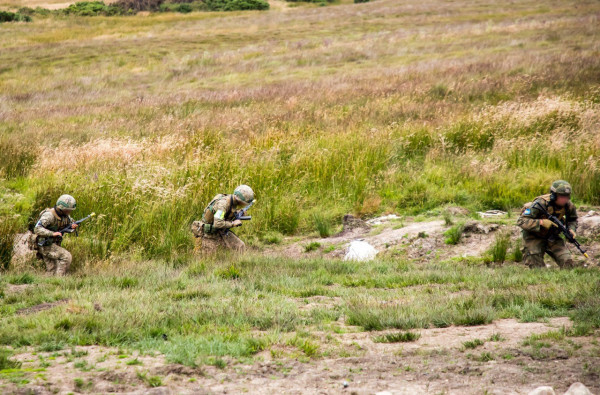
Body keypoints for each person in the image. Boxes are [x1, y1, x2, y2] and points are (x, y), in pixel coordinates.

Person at [517, 180, 578, 269]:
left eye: (567, 196)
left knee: (568, 263)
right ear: (554, 195)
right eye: (561, 196)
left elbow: (572, 219)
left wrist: (571, 229)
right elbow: (521, 221)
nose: (565, 199)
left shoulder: (569, 206)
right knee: (537, 267)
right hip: (534, 236)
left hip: (552, 236)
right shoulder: (540, 203)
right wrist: (541, 223)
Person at [193, 185, 254, 254]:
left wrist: (237, 213)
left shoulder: (232, 201)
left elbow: (224, 214)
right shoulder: (223, 205)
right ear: (239, 200)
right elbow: (217, 223)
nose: (243, 205)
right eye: (243, 203)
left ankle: (239, 263)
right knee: (213, 257)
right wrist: (233, 223)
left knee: (240, 246)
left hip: (221, 231)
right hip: (210, 233)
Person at [34, 194, 79, 275]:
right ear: (61, 208)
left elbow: (68, 224)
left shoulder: (65, 216)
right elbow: (37, 229)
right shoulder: (49, 215)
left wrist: (72, 227)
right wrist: (52, 234)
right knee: (66, 256)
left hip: (52, 244)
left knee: (52, 270)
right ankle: (59, 280)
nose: (70, 212)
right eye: (68, 210)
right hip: (45, 244)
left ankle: (50, 285)